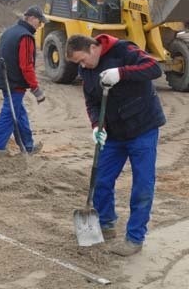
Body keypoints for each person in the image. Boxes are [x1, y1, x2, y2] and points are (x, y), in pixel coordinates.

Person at [65, 34, 166, 256]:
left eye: (83, 60)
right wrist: (95, 126)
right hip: (113, 133)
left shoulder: (123, 50)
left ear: (93, 48)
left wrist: (122, 72)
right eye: (78, 64)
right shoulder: (86, 70)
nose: (82, 66)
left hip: (143, 128)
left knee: (142, 186)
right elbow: (91, 101)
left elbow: (154, 68)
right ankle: (107, 222)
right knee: (101, 179)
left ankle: (134, 239)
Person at [0, 5, 46, 156]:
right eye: (39, 22)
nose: (39, 26)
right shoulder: (25, 36)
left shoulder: (10, 31)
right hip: (14, 82)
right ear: (32, 18)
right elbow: (26, 65)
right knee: (9, 114)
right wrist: (36, 89)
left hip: (6, 79)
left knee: (19, 113)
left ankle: (27, 146)